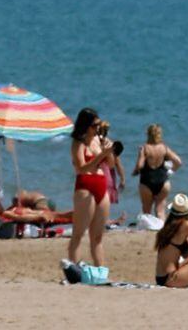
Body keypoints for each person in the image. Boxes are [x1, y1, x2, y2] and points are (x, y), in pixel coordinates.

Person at [68, 108, 114, 266]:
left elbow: (111, 164)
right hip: (85, 187)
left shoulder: (98, 141)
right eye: (95, 125)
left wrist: (109, 152)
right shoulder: (78, 143)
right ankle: (75, 270)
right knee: (79, 234)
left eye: (99, 125)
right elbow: (81, 168)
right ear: (86, 125)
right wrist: (101, 155)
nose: (98, 128)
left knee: (98, 236)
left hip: (101, 185)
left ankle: (100, 270)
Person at [133, 123, 182, 219]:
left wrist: (140, 156)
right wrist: (171, 171)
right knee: (160, 211)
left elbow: (140, 165)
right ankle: (162, 231)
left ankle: (149, 231)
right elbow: (178, 162)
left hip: (147, 182)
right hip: (163, 182)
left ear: (148, 134)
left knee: (147, 211)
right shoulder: (164, 148)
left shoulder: (145, 148)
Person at [98, 121, 126, 206]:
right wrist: (122, 179)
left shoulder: (93, 143)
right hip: (108, 176)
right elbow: (117, 164)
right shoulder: (110, 144)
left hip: (97, 175)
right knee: (104, 207)